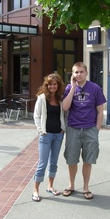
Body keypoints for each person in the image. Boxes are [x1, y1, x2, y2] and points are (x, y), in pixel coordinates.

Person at [62, 62, 106, 200]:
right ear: (72, 74)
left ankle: (86, 187)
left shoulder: (95, 88)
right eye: (76, 72)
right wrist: (72, 88)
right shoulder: (69, 88)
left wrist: (96, 130)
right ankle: (71, 185)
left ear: (86, 73)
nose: (78, 74)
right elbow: (65, 107)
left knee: (88, 159)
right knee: (71, 159)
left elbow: (100, 111)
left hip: (90, 129)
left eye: (81, 72)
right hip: (73, 129)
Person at [32, 73, 66, 202]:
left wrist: (63, 129)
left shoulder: (60, 99)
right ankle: (35, 189)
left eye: (55, 84)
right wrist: (41, 131)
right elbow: (36, 116)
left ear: (58, 85)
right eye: (50, 84)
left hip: (58, 135)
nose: (53, 86)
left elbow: (63, 115)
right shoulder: (41, 98)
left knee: (54, 163)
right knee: (42, 163)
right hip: (46, 135)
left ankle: (50, 186)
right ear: (47, 85)